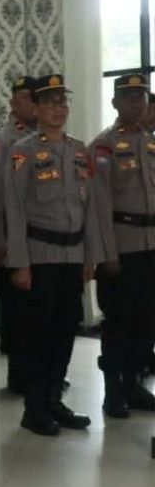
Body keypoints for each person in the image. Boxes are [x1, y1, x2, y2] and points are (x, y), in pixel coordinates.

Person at [4, 74, 109, 435]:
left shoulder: (79, 151)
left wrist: (90, 256)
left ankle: (53, 400)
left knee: (65, 332)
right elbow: (14, 211)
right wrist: (19, 263)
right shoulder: (24, 151)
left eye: (62, 102)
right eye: (49, 103)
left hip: (72, 257)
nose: (57, 109)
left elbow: (89, 208)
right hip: (39, 258)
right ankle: (34, 409)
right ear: (36, 109)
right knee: (38, 335)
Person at [89, 73, 155, 417]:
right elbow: (98, 205)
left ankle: (134, 384)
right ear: (115, 102)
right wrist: (106, 253)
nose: (136, 102)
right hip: (121, 248)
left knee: (146, 323)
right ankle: (113, 391)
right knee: (119, 324)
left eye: (141, 96)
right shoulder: (104, 145)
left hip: (150, 247)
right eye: (129, 97)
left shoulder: (151, 143)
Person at [0, 75, 37, 393]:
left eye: (35, 98)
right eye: (26, 98)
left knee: (39, 315)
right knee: (17, 317)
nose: (32, 104)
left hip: (40, 243)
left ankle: (39, 373)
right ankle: (20, 377)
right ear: (14, 102)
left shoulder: (46, 139)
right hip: (10, 244)